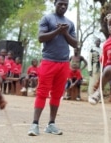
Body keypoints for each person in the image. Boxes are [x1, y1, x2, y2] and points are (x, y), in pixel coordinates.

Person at [27, 0, 78, 136]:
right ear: (55, 3)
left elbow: (75, 43)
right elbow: (40, 37)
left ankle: (51, 124)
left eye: (66, 5)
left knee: (57, 94)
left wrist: (65, 32)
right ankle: (35, 124)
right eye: (60, 3)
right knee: (42, 92)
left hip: (63, 63)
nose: (63, 6)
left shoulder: (70, 23)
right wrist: (57, 31)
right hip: (48, 61)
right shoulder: (47, 18)